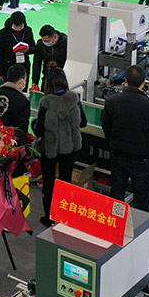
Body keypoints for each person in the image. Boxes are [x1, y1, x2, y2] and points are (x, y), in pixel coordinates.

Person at [101, 65, 149, 212]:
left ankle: (116, 221)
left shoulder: (112, 101)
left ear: (126, 81)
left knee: (117, 192)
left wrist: (112, 143)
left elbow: (106, 126)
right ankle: (140, 223)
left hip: (118, 153)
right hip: (141, 155)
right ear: (144, 82)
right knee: (141, 194)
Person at [34, 68, 84, 226]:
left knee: (49, 183)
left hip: (50, 149)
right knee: (65, 182)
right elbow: (83, 122)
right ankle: (65, 215)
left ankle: (48, 217)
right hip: (70, 148)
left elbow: (39, 130)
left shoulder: (45, 102)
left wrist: (34, 123)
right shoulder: (74, 98)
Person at [0, 11, 35, 85]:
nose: (18, 28)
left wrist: (28, 50)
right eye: (16, 26)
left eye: (21, 25)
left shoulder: (28, 31)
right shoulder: (3, 33)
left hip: (24, 66)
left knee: (23, 87)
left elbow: (33, 47)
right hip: (8, 66)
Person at [32, 24, 67, 90]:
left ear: (54, 37)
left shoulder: (66, 43)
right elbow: (37, 62)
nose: (45, 43)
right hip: (47, 77)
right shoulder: (40, 44)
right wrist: (35, 81)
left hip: (60, 79)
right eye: (43, 40)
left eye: (47, 41)